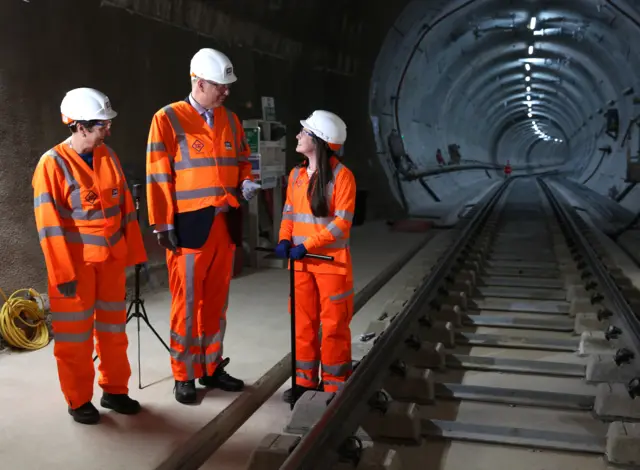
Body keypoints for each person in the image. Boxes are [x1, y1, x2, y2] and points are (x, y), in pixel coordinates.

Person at [145, 48, 260, 404]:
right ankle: (184, 374)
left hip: (224, 226)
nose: (226, 92)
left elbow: (243, 159)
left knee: (215, 305)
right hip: (189, 228)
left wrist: (246, 181)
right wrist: (162, 224)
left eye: (227, 86)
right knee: (187, 304)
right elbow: (158, 175)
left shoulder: (231, 119)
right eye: (220, 86)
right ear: (198, 82)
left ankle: (211, 366)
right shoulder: (167, 119)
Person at [32, 87, 148, 424]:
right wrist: (62, 274)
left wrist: (134, 253)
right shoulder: (51, 165)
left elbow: (125, 208)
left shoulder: (107, 156)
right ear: (80, 126)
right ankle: (78, 399)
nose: (108, 130)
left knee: (114, 332)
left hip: (110, 264)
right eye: (102, 125)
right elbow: (48, 227)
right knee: (75, 340)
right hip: (75, 270)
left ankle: (114, 390)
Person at [274, 110, 357, 404]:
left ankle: (334, 387)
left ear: (319, 141)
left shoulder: (343, 177)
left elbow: (341, 223)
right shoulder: (296, 175)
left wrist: (308, 244)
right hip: (301, 265)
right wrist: (284, 238)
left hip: (331, 266)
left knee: (333, 327)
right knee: (303, 325)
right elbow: (289, 214)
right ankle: (304, 384)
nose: (298, 136)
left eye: (304, 132)